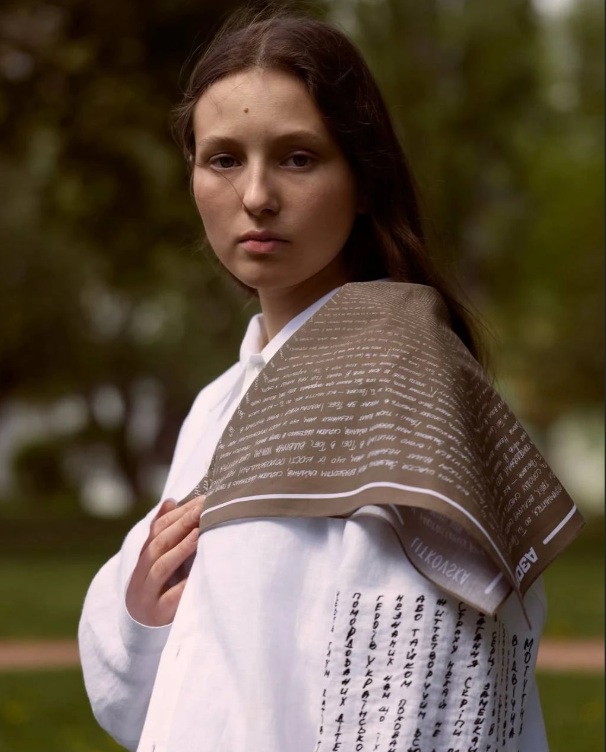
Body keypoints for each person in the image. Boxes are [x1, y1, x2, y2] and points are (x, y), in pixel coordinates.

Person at [79, 10, 583, 752]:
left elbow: (429, 694)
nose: (256, 195)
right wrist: (143, 618)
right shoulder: (217, 404)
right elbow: (171, 702)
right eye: (224, 159)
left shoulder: (405, 382)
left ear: (365, 179)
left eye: (298, 158)